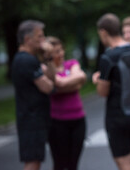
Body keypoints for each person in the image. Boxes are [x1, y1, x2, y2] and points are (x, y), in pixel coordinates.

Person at [92, 13, 130, 170]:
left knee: (124, 163)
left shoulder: (108, 57)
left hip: (118, 116)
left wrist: (97, 80)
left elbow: (103, 92)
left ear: (103, 32)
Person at [11, 20, 56, 170]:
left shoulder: (29, 59)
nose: (44, 41)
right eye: (40, 37)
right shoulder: (26, 60)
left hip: (33, 118)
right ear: (27, 39)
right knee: (33, 161)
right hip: (32, 119)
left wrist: (48, 57)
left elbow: (51, 77)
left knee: (35, 159)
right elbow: (48, 86)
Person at [46, 36, 87, 170]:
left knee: (73, 164)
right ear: (49, 56)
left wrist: (62, 85)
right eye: (56, 52)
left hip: (78, 120)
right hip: (57, 122)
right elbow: (57, 83)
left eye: (61, 50)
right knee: (60, 164)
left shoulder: (71, 63)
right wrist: (72, 83)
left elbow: (81, 77)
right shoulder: (45, 70)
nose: (61, 54)